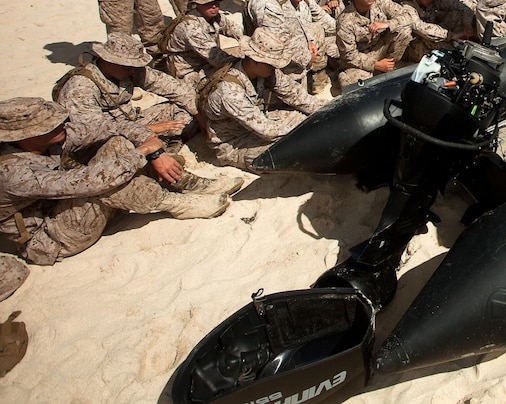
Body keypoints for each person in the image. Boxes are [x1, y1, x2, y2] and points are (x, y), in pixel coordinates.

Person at [0, 97, 233, 268]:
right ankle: (173, 202)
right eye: (49, 125)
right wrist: (142, 152)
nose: (61, 125)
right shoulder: (11, 171)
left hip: (68, 205)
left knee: (117, 144)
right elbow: (87, 182)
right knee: (104, 179)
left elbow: (114, 126)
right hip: (52, 236)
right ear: (24, 136)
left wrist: (155, 154)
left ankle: (184, 182)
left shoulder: (56, 136)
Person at [53, 33, 198, 149]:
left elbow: (173, 87)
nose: (132, 69)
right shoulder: (80, 88)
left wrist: (197, 113)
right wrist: (150, 129)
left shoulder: (130, 70)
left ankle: (166, 144)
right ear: (108, 60)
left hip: (133, 121)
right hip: (107, 137)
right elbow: (92, 132)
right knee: (120, 146)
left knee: (184, 109)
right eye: (127, 65)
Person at [201, 28, 317, 171]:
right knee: (297, 149)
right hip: (235, 142)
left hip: (256, 122)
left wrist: (327, 109)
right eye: (270, 63)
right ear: (254, 60)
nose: (274, 67)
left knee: (302, 118)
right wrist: (311, 130)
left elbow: (296, 95)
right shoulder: (230, 92)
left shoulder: (265, 70)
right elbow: (267, 131)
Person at [336, 0, 412, 87]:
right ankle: (378, 69)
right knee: (352, 85)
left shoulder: (380, 3)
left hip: (380, 47)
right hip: (361, 57)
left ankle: (388, 66)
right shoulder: (345, 21)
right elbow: (349, 56)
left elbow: (408, 16)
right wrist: (376, 65)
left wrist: (388, 24)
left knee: (404, 30)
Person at [161, 0, 243, 87]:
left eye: (217, 3)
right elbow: (216, 57)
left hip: (205, 62)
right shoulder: (191, 27)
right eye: (208, 3)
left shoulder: (215, 17)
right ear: (198, 5)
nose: (214, 6)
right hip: (188, 71)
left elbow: (237, 31)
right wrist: (244, 63)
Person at [401, 0, 475, 61]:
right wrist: (451, 36)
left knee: (457, 14)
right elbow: (422, 28)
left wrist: (467, 24)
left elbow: (463, 8)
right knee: (448, 52)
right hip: (414, 43)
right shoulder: (406, 6)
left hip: (434, 36)